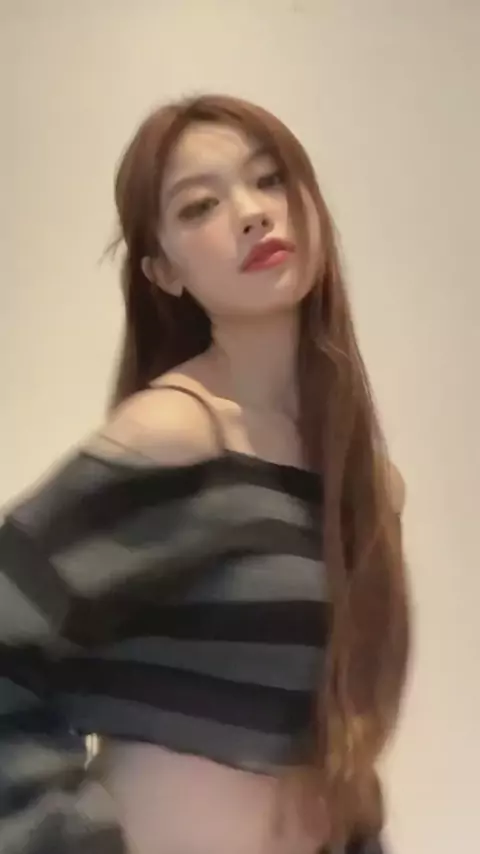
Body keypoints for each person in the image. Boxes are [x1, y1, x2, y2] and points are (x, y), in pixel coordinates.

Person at [0, 94, 409, 854]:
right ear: (164, 272)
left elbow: (340, 752)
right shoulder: (174, 437)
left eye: (270, 179)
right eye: (199, 207)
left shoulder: (366, 483)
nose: (252, 214)